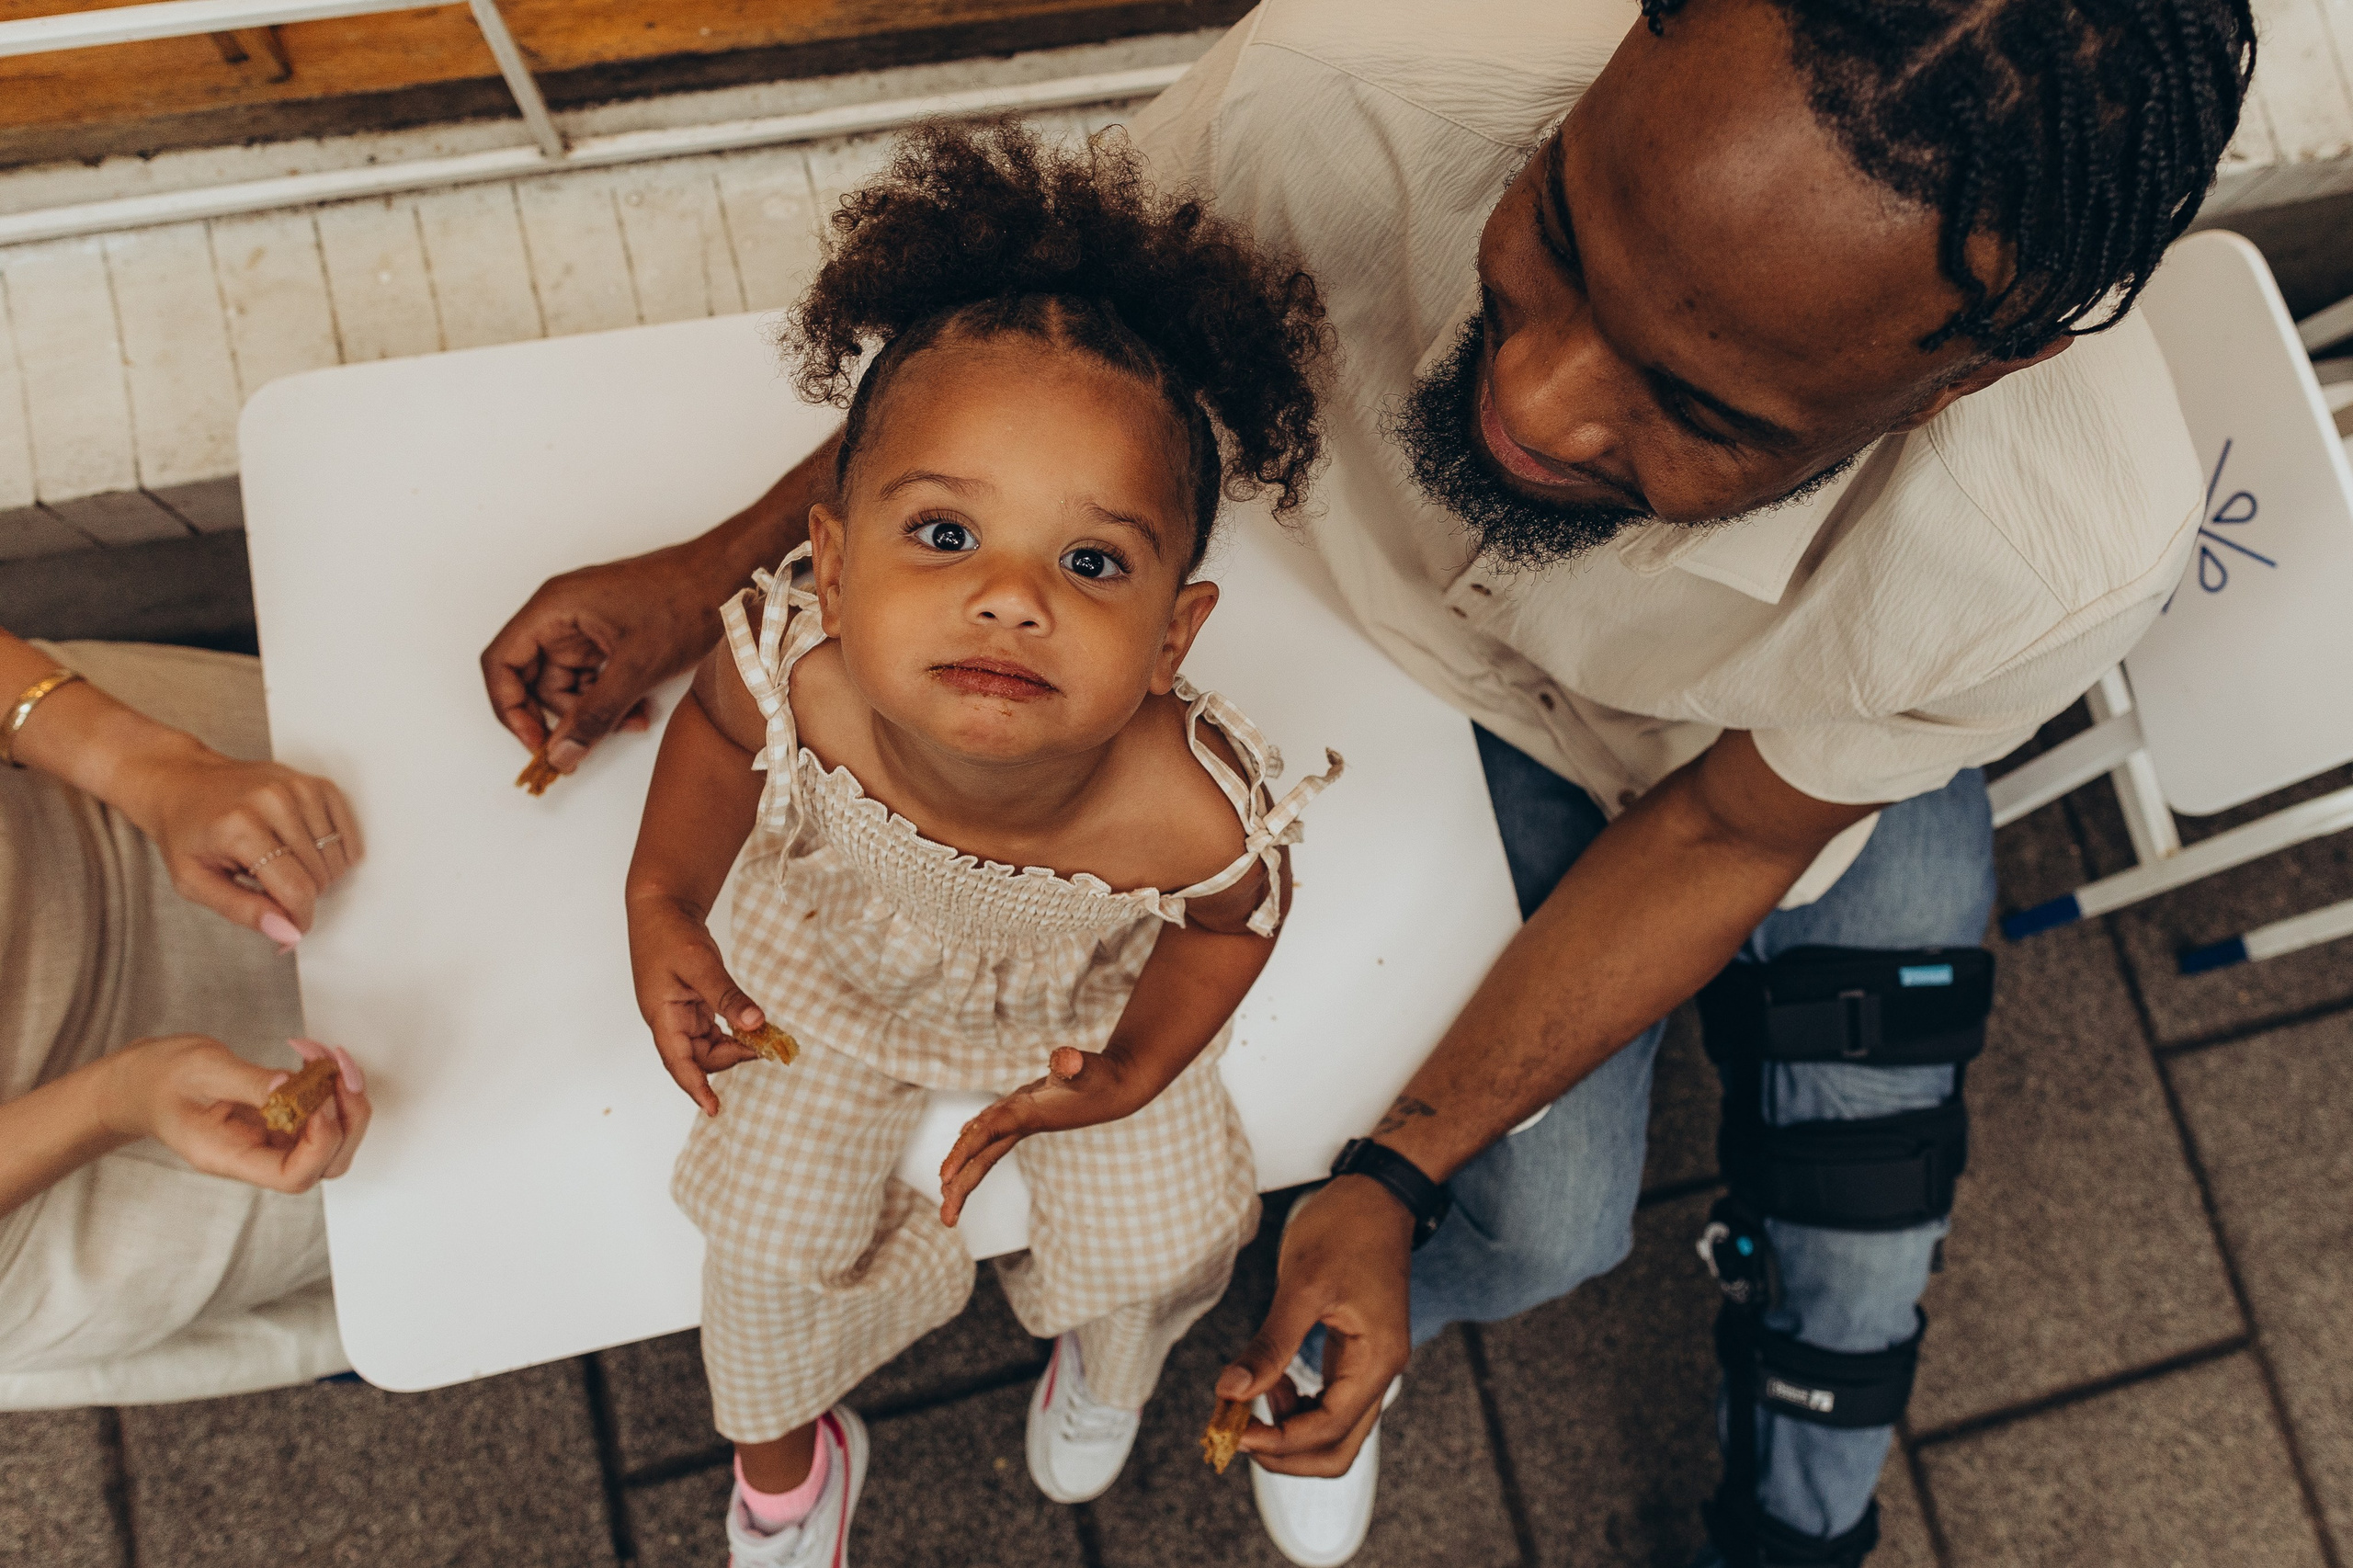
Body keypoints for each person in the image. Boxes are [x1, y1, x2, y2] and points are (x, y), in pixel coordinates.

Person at [484, 1, 2255, 1562]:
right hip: (1385, 639)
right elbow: (1016, 381)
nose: (1539, 406)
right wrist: (699, 584)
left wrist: (1386, 1184)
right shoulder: (1339, 78)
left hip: (1714, 756)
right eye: (1557, 227)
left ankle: (1371, 1322)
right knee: (1574, 1199)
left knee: (1715, 1186)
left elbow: (1728, 826)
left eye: (1702, 407)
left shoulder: (2055, 551)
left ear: (1972, 377)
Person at [619, 119, 1337, 1567]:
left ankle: (1108, 1354)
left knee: (1176, 1229)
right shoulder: (799, 667)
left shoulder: (1185, 802)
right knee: (756, 1240)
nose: (1012, 600)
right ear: (828, 563)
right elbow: (706, 731)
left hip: (1072, 1004)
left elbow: (1232, 920)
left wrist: (1134, 1066)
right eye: (945, 535)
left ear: (1170, 636)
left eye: (1090, 562)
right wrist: (661, 898)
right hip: (820, 964)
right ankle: (782, 1450)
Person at [0, 625, 371, 1410]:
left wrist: (155, 768)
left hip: (57, 784)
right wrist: (116, 1099)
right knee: (484, 1132)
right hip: (53, 1157)